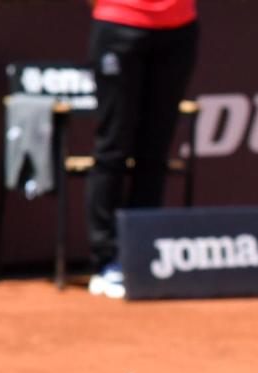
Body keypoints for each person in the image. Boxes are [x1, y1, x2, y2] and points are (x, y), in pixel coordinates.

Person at [86, 0, 199, 298]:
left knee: (155, 151)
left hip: (179, 28)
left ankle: (141, 252)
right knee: (113, 148)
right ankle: (106, 260)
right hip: (119, 23)